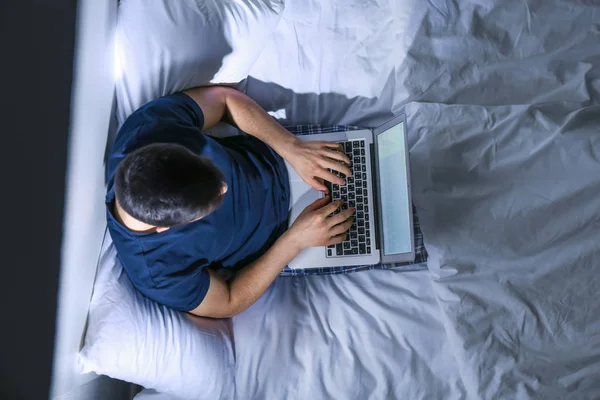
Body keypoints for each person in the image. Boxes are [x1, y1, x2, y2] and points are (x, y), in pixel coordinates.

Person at [106, 86, 355, 318]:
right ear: (165, 227)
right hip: (287, 236)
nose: (225, 186)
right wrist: (295, 241)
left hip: (283, 153)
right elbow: (228, 301)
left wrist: (293, 148)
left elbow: (224, 99)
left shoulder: (147, 130)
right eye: (214, 200)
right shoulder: (157, 273)